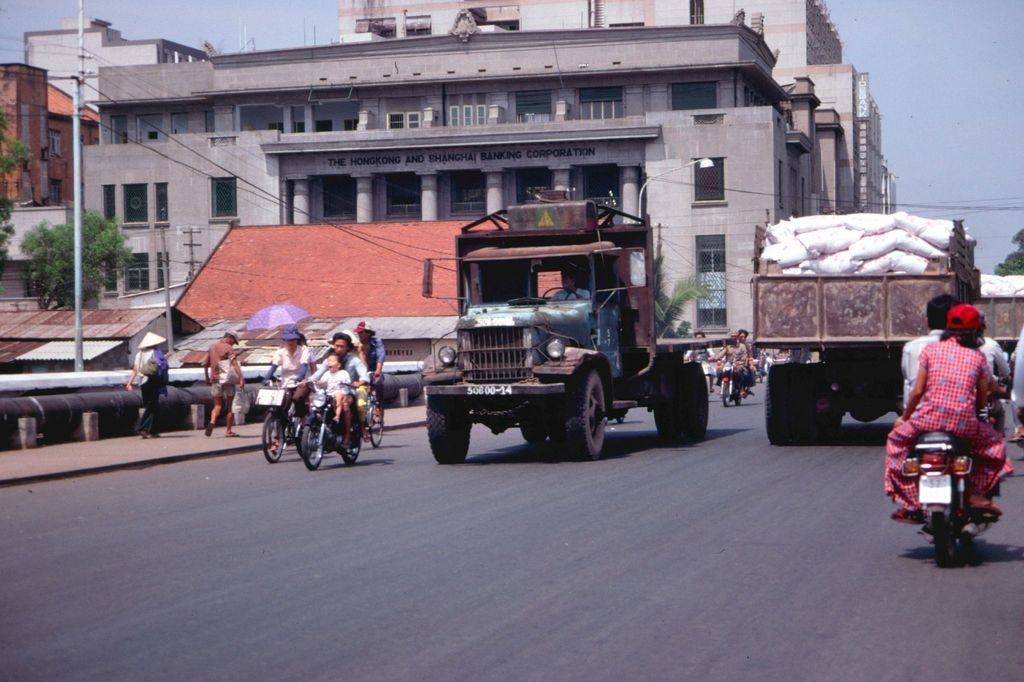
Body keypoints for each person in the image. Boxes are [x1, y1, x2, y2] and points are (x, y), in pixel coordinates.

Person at [885, 304, 1007, 523]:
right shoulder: (977, 357)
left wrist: (905, 418)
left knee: (896, 443)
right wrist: (980, 417)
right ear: (978, 330)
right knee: (994, 447)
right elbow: (982, 398)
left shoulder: (930, 351)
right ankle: (977, 493)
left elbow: (918, 392)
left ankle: (911, 501)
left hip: (927, 421)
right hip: (964, 424)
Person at [901, 294, 956, 409]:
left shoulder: (911, 348)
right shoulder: (966, 349)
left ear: (927, 321)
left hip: (918, 415)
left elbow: (915, 388)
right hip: (956, 416)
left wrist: (905, 418)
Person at [262, 324, 311, 421]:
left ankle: (302, 419)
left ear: (297, 339)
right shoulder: (281, 352)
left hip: (301, 381)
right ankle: (282, 427)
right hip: (286, 382)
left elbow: (304, 366)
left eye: (293, 339)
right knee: (283, 402)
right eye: (288, 340)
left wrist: (300, 376)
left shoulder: (304, 350)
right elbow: (274, 367)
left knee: (297, 398)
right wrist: (266, 378)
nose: (290, 342)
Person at [125, 331, 169, 438]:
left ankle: (152, 430)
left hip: (142, 382)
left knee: (151, 405)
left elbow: (135, 370)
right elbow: (163, 366)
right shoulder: (156, 352)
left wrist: (129, 383)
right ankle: (142, 428)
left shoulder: (139, 354)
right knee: (152, 405)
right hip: (153, 380)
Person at [202, 330, 244, 437]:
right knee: (231, 406)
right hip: (228, 380)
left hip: (215, 380)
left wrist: (207, 378)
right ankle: (228, 431)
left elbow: (205, 364)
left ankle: (212, 421)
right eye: (233, 341)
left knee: (217, 405)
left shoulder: (212, 347)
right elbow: (234, 364)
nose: (233, 344)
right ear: (229, 337)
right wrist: (241, 378)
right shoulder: (228, 348)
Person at [310, 351, 352, 447]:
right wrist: (317, 382)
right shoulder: (327, 374)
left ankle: (339, 420)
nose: (329, 363)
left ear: (339, 364)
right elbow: (322, 382)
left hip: (341, 393)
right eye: (328, 361)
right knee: (315, 400)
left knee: (339, 399)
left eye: (332, 361)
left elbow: (347, 381)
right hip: (329, 395)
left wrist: (343, 382)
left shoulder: (343, 373)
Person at [331, 332, 371, 435]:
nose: (339, 349)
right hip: (332, 391)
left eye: (342, 346)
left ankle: (348, 435)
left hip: (349, 391)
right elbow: (319, 373)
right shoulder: (330, 360)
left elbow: (365, 375)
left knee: (346, 404)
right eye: (337, 346)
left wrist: (360, 382)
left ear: (347, 348)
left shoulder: (355, 361)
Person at [356, 320, 386, 431]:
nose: (359, 335)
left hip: (375, 369)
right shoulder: (359, 344)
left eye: (361, 333)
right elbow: (362, 366)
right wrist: (361, 352)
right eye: (358, 333)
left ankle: (378, 406)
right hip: (364, 370)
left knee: (379, 382)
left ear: (368, 333)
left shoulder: (376, 342)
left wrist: (378, 370)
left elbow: (380, 355)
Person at [713, 329, 755, 397]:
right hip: (729, 364)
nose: (733, 338)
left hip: (739, 365)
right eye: (731, 336)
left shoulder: (742, 346)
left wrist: (745, 358)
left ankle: (742, 389)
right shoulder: (728, 346)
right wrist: (715, 358)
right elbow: (721, 354)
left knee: (740, 373)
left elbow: (746, 354)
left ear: (737, 337)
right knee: (720, 372)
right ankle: (722, 388)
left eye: (734, 336)